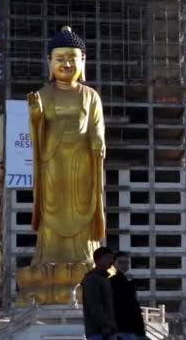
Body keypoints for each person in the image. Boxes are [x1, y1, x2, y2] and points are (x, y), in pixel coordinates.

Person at [27, 25, 106, 266]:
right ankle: (48, 258)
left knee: (84, 205)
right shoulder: (44, 94)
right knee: (51, 207)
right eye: (60, 59)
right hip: (53, 161)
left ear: (83, 61)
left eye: (72, 58)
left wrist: (98, 141)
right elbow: (37, 132)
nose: (66, 64)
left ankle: (85, 257)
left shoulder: (90, 95)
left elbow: (96, 124)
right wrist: (36, 115)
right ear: (49, 62)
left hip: (81, 162)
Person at [109, 251, 146, 340]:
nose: (123, 265)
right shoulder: (110, 282)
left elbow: (135, 308)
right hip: (120, 330)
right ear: (114, 264)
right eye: (120, 262)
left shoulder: (129, 283)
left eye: (126, 262)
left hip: (131, 329)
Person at [82, 247, 117, 339]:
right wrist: (107, 325)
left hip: (109, 331)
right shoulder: (92, 279)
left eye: (112, 258)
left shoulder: (105, 278)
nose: (111, 261)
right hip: (99, 332)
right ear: (97, 260)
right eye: (108, 258)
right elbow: (94, 305)